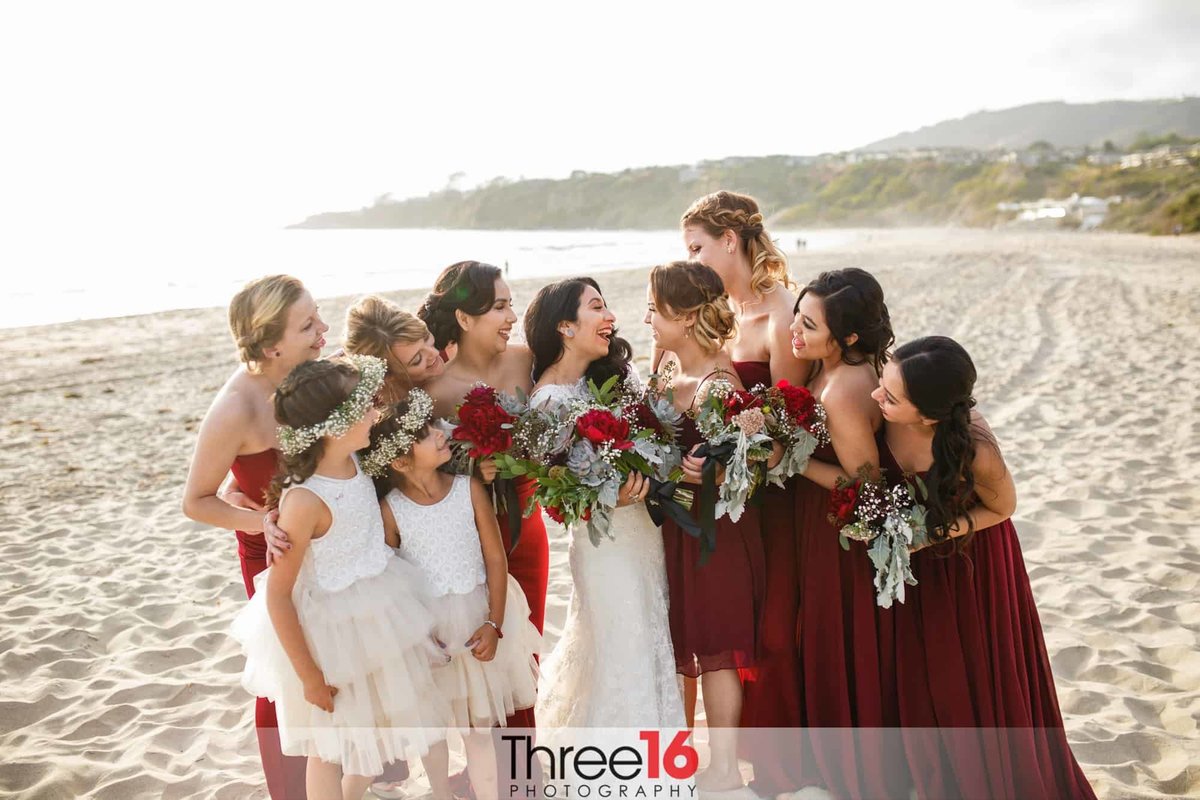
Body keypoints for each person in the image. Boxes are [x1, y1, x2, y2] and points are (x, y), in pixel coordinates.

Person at [872, 336, 1097, 799]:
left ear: (929, 416)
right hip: (915, 569)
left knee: (974, 678)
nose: (877, 397)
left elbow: (1004, 508)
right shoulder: (879, 414)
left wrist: (931, 535)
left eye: (891, 397)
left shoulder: (976, 448)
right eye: (882, 383)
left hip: (973, 566)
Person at [230, 356, 450, 800]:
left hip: (382, 607)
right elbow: (278, 596)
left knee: (390, 724)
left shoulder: (354, 457)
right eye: (364, 407)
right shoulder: (305, 501)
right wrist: (309, 676)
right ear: (332, 424)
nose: (375, 412)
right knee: (331, 747)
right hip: (330, 635)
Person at [182, 274, 328, 798]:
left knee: (336, 653)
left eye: (318, 316)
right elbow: (196, 500)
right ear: (271, 345)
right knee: (284, 671)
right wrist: (260, 521)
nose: (323, 329)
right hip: (273, 552)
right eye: (308, 324)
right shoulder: (236, 410)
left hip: (331, 539)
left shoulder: (313, 375)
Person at [523, 277, 686, 735]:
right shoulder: (547, 401)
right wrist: (608, 494)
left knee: (654, 638)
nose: (611, 316)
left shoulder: (621, 376)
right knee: (622, 644)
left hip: (647, 534)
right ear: (565, 327)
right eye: (597, 307)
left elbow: (658, 439)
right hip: (604, 548)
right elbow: (558, 492)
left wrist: (652, 475)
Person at [677, 191, 808, 743]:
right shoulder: (724, 315)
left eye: (697, 247)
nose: (691, 261)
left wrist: (735, 462)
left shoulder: (782, 317)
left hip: (772, 497)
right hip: (722, 497)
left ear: (730, 240)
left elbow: (789, 430)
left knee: (772, 626)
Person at [365, 391, 540, 800]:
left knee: (479, 729)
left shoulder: (469, 489)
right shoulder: (391, 510)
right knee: (431, 732)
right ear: (400, 461)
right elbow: (391, 577)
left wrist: (494, 623)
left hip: (478, 619)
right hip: (430, 634)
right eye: (426, 433)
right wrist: (418, 637)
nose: (441, 433)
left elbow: (496, 560)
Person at [644, 261, 769, 792]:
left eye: (656, 308)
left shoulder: (717, 383)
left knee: (716, 653)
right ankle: (688, 759)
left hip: (713, 538)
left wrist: (705, 471)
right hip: (679, 533)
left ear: (687, 316)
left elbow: (742, 472)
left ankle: (722, 767)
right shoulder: (673, 370)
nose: (647, 317)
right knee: (683, 646)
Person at [788, 268, 907, 798]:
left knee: (839, 641)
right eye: (797, 317)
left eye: (809, 326)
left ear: (850, 337)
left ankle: (856, 770)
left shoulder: (843, 389)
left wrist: (791, 462)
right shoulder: (836, 366)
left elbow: (868, 490)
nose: (796, 332)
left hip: (842, 537)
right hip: (819, 526)